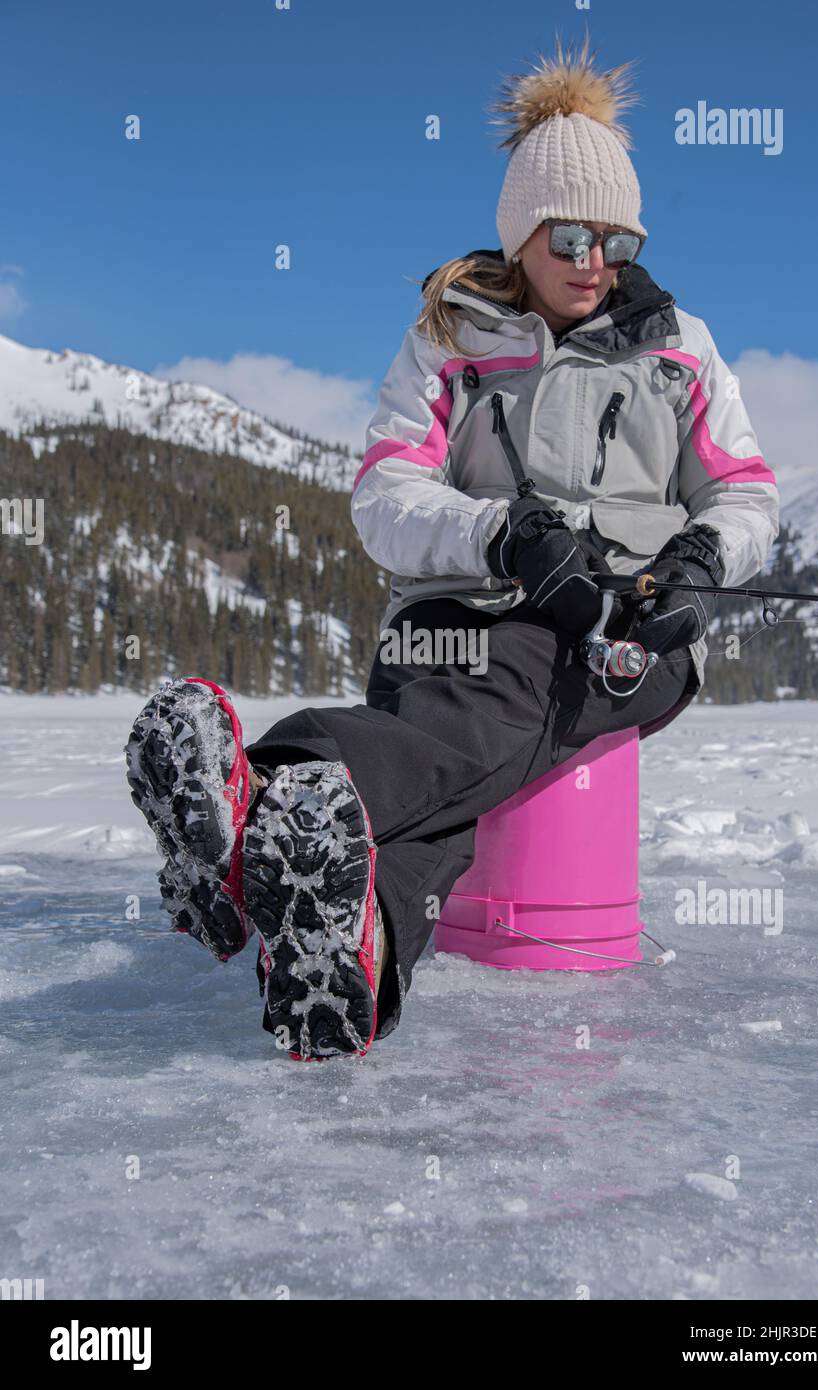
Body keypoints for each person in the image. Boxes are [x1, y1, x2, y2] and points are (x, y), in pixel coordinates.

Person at [125, 34, 779, 1062]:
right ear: (521, 234)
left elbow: (746, 493)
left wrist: (699, 562)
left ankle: (258, 800)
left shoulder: (680, 348)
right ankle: (351, 953)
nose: (593, 261)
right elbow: (384, 495)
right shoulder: (450, 335)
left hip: (621, 629)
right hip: (455, 607)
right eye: (569, 235)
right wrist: (498, 532)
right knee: (447, 746)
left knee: (493, 696)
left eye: (616, 237)